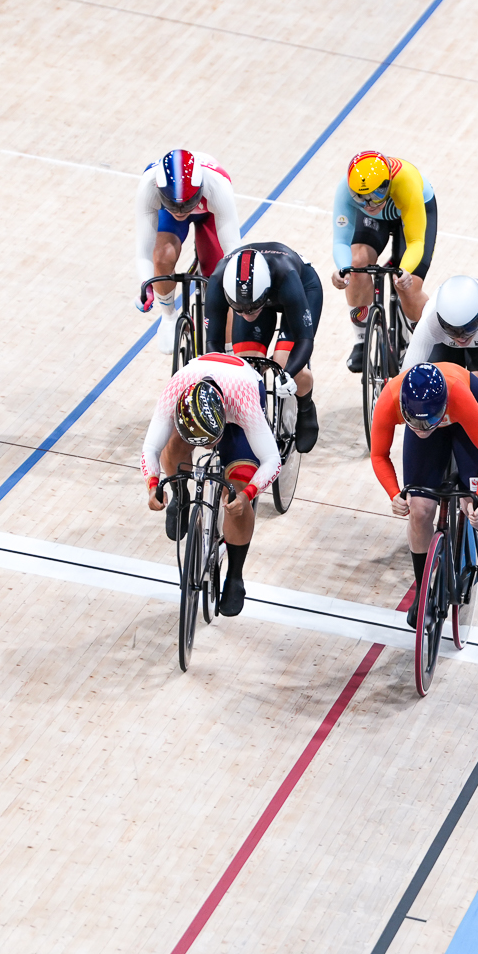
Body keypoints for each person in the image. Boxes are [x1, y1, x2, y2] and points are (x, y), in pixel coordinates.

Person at [142, 352, 281, 617]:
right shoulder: (175, 388)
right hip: (197, 388)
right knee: (173, 446)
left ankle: (236, 577)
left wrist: (248, 494)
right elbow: (150, 447)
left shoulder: (244, 402)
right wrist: (152, 484)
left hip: (240, 394)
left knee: (237, 490)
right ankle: (180, 495)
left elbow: (272, 460)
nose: (205, 447)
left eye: (209, 440)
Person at [368, 363, 478, 627]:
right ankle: (422, 590)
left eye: (428, 422)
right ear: (404, 409)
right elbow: (378, 454)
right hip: (437, 416)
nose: (421, 428)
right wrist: (394, 493)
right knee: (419, 511)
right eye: (414, 422)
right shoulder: (390, 398)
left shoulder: (461, 396)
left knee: (472, 507)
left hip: (464, 413)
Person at [204, 243, 322, 453]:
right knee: (246, 365)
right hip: (260, 296)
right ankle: (254, 422)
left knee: (283, 361)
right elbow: (213, 342)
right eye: (239, 310)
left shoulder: (286, 275)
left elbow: (305, 340)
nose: (247, 315)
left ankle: (306, 406)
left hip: (301, 289)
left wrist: (288, 374)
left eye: (251, 309)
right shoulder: (218, 280)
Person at [332, 150, 437, 373]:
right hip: (377, 220)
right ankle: (361, 340)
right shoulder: (348, 189)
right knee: (357, 264)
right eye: (360, 197)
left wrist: (406, 271)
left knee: (409, 287)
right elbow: (341, 241)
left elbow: (417, 240)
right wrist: (343, 270)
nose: (368, 204)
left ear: (387, 184)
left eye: (374, 196)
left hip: (411, 212)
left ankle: (429, 346)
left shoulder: (406, 181)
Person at [135, 149, 244, 355]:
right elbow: (144, 250)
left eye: (187, 204)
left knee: (222, 276)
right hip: (180, 213)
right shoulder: (148, 186)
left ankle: (228, 353)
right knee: (162, 255)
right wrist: (145, 285)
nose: (180, 211)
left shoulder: (217, 186)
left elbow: (233, 251)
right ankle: (168, 317)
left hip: (209, 214)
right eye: (172, 205)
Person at [401, 274, 478, 413]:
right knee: (437, 391)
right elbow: (405, 376)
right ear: (440, 320)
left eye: (469, 328)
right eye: (452, 330)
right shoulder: (429, 322)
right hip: (445, 344)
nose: (461, 338)